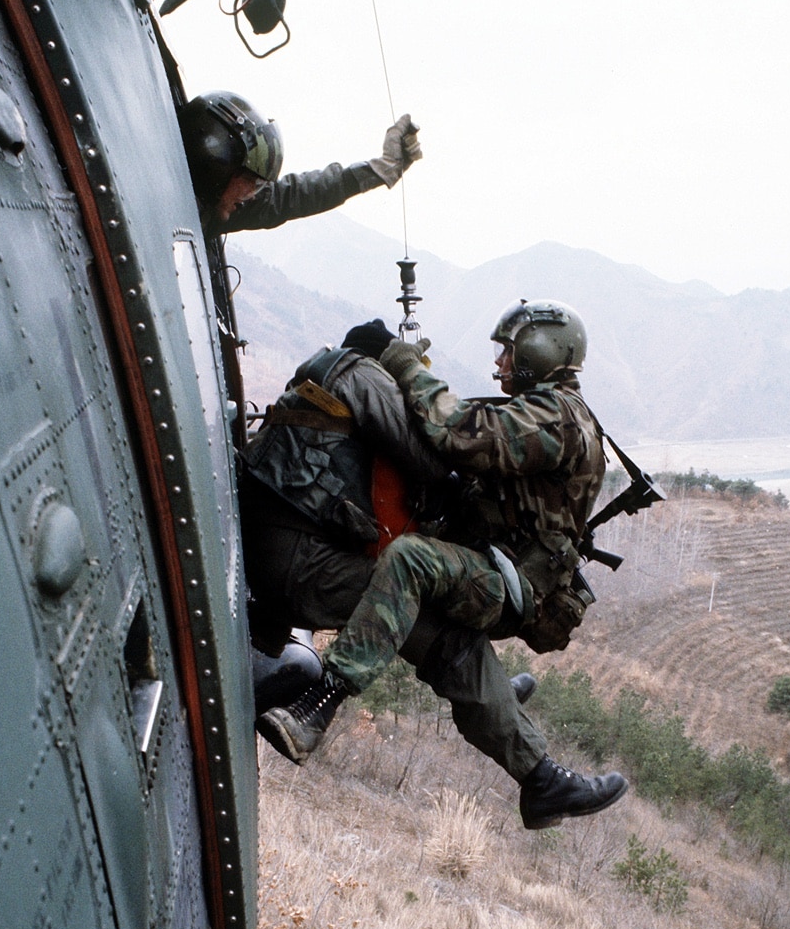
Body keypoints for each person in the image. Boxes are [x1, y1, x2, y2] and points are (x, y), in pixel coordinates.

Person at [252, 302, 628, 829]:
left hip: (507, 582)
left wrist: (402, 365)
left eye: (508, 352)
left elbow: (459, 433)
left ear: (540, 353)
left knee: (409, 560)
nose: (499, 363)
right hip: (488, 564)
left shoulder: (559, 417)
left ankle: (325, 700)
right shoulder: (552, 412)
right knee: (441, 631)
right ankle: (508, 724)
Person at [177, 91, 421, 236]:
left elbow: (291, 197)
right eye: (251, 182)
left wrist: (378, 170)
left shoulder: (209, 207)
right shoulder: (177, 212)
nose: (252, 196)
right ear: (216, 167)